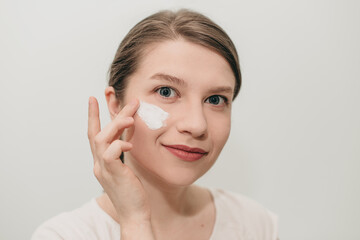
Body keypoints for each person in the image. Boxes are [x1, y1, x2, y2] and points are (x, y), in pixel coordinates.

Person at [31, 9, 278, 240]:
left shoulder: (255, 225)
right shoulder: (64, 235)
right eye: (166, 91)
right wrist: (135, 221)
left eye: (215, 99)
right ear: (116, 104)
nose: (196, 125)